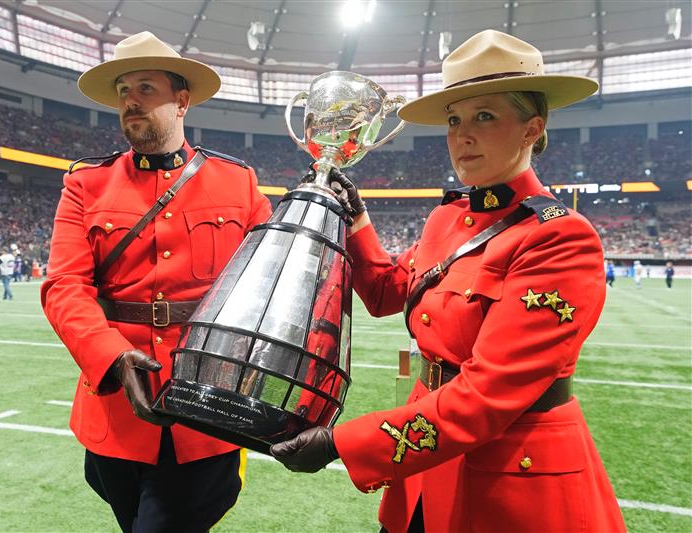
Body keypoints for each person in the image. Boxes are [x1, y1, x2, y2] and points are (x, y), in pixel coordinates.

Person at [270, 30, 626, 533]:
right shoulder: (448, 220)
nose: (462, 135)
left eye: (485, 116)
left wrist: (342, 443)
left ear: (532, 127)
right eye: (455, 120)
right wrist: (354, 222)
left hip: (508, 478)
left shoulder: (560, 238)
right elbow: (386, 293)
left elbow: (485, 397)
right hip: (424, 467)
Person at [41, 31, 271, 533]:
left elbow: (269, 287)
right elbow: (64, 287)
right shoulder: (85, 185)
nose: (130, 101)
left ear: (182, 100)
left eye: (145, 88)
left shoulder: (239, 183)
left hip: (206, 412)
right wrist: (113, 357)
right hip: (115, 415)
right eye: (124, 90)